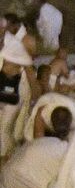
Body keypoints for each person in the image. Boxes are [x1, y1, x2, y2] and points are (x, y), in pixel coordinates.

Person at [1, 106, 72, 188]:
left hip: (6, 186)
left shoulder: (39, 141)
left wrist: (39, 114)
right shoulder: (64, 149)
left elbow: (38, 132)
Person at [1, 19, 38, 160]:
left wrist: (35, 97)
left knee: (6, 128)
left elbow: (30, 73)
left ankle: (8, 157)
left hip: (13, 90)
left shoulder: (20, 45)